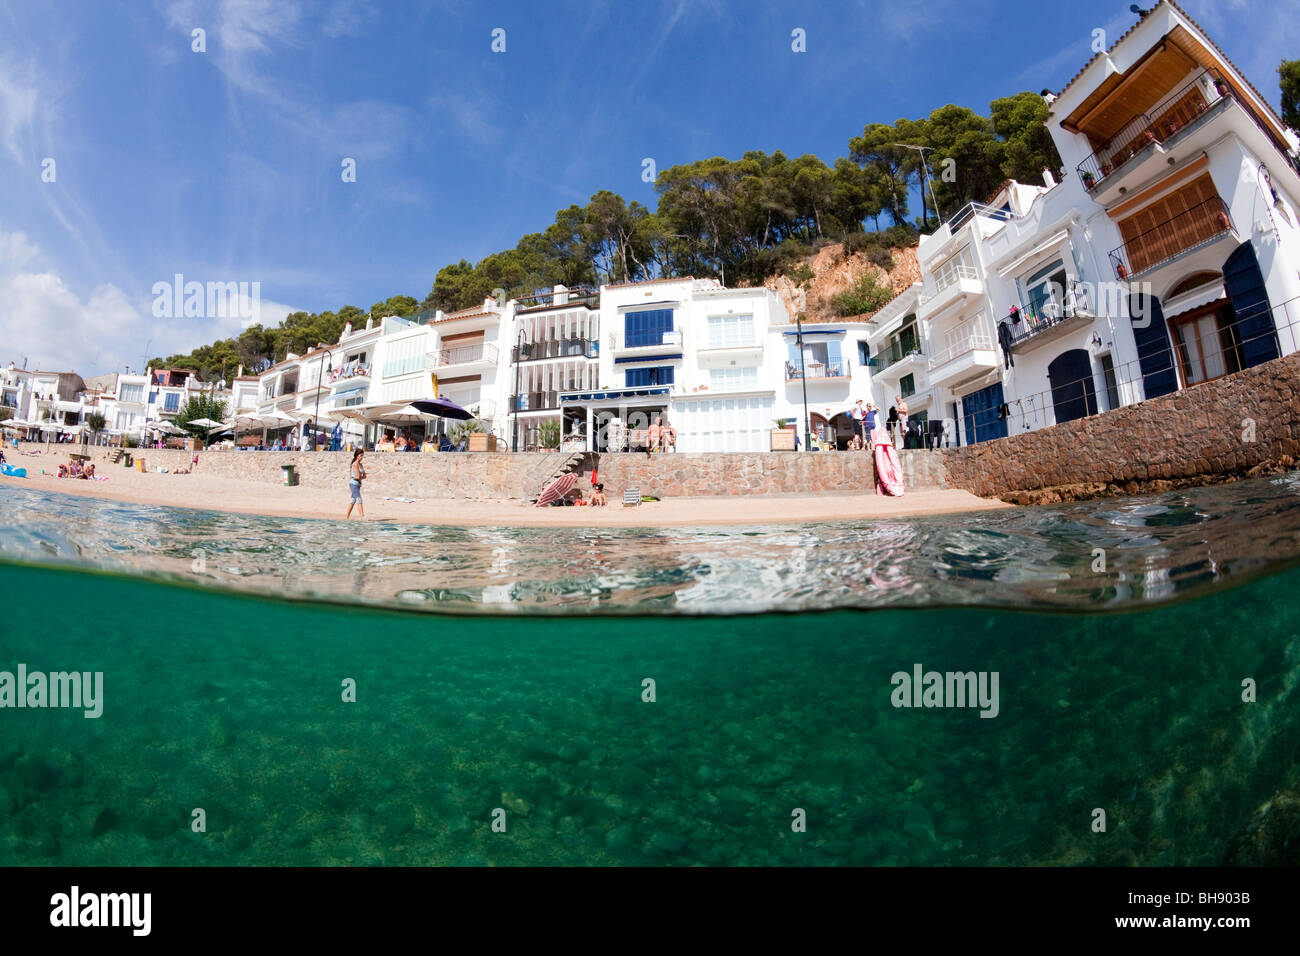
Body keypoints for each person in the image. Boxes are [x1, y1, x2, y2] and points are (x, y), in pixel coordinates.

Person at [347, 449, 366, 519]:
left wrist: (361, 477)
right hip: (353, 484)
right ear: (357, 456)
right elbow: (358, 476)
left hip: (358, 484)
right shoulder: (355, 464)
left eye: (362, 456)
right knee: (359, 499)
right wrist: (361, 477)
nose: (362, 457)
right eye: (360, 456)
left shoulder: (360, 465)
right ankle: (362, 517)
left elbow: (364, 476)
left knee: (353, 500)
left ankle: (347, 517)